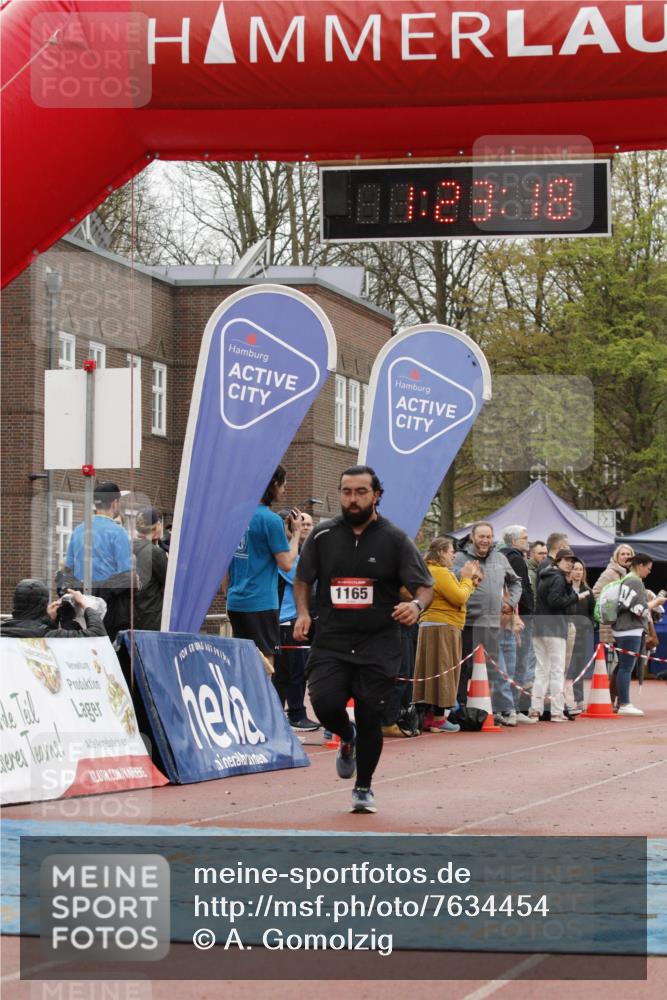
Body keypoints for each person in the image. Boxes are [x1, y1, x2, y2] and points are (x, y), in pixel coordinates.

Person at [293, 465, 433, 815]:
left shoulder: (395, 539)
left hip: (379, 642)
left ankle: (363, 787)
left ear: (376, 495)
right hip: (332, 639)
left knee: (372, 716)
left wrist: (416, 606)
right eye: (346, 492)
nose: (352, 499)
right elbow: (302, 579)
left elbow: (425, 587)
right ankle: (346, 735)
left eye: (360, 492)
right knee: (324, 704)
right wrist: (304, 613)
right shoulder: (322, 535)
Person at [226, 464, 300, 671]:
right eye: (283, 485)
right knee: (266, 662)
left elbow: (226, 563)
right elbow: (286, 564)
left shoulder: (234, 514)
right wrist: (295, 536)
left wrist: (228, 592)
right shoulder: (270, 519)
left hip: (235, 600)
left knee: (242, 660)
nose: (284, 490)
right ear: (273, 484)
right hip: (261, 602)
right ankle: (261, 702)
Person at [452, 522, 522, 721]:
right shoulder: (459, 558)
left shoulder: (500, 558)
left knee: (492, 669)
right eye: (481, 536)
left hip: (492, 623)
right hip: (467, 622)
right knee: (464, 667)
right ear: (473, 537)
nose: (485, 541)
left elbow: (516, 581)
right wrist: (463, 573)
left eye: (488, 537)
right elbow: (449, 577)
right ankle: (461, 708)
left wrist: (510, 602)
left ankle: (493, 710)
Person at [413, 537, 479, 733]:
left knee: (432, 671)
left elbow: (458, 595)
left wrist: (471, 583)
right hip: (443, 626)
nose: (454, 555)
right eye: (451, 551)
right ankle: (439, 718)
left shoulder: (431, 570)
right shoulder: (440, 572)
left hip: (434, 625)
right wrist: (467, 578)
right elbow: (458, 597)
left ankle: (429, 716)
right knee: (444, 670)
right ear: (441, 552)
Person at [62, 481, 135, 640]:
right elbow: (126, 574)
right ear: (115, 503)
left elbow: (67, 568)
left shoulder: (79, 530)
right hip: (109, 608)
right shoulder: (118, 532)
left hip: (81, 604)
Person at [273, 510, 320, 732]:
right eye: (300, 524)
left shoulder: (300, 553)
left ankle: (286, 714)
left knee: (295, 670)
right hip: (286, 618)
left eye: (308, 524)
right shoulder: (284, 554)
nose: (304, 527)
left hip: (295, 617)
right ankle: (294, 714)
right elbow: (300, 576)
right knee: (290, 671)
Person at [531, 548, 590, 722]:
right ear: (557, 561)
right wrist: (576, 597)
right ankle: (556, 712)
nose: (570, 564)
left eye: (572, 561)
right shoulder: (558, 578)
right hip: (554, 629)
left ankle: (535, 710)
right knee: (557, 670)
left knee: (541, 670)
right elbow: (555, 601)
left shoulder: (544, 575)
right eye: (567, 560)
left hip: (539, 628)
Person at [612, 553, 666, 716]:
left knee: (623, 666)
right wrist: (656, 602)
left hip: (623, 627)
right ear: (640, 566)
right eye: (648, 568)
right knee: (626, 668)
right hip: (631, 628)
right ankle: (625, 703)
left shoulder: (628, 579)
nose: (649, 572)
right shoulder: (634, 581)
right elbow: (638, 609)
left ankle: (623, 702)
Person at [499, 525, 537, 724]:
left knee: (516, 664)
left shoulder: (504, 557)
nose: (527, 541)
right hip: (519, 618)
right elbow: (520, 588)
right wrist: (522, 613)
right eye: (524, 537)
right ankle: (513, 707)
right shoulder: (515, 558)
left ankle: (513, 707)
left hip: (514, 616)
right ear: (513, 541)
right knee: (519, 664)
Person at [1, 579, 107, 638]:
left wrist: (47, 620)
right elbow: (97, 635)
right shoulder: (49, 635)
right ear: (43, 605)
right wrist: (85, 604)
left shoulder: (4, 631)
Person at [593, 543, 635, 673]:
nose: (626, 556)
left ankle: (615, 690)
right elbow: (596, 592)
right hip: (611, 624)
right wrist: (611, 609)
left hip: (624, 623)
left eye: (628, 554)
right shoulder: (610, 573)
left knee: (623, 662)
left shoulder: (629, 574)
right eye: (623, 554)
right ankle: (610, 691)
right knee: (616, 662)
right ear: (616, 557)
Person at [564, 558, 596, 714]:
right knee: (561, 667)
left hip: (582, 635)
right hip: (564, 632)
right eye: (575, 569)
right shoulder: (565, 589)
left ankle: (579, 700)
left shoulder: (588, 592)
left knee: (578, 668)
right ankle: (559, 699)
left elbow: (592, 613)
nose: (578, 572)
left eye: (580, 570)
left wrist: (589, 625)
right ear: (569, 571)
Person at [132, 507, 168, 630]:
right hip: (151, 616)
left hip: (131, 614)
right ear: (156, 527)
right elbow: (169, 583)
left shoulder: (127, 547)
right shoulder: (156, 553)